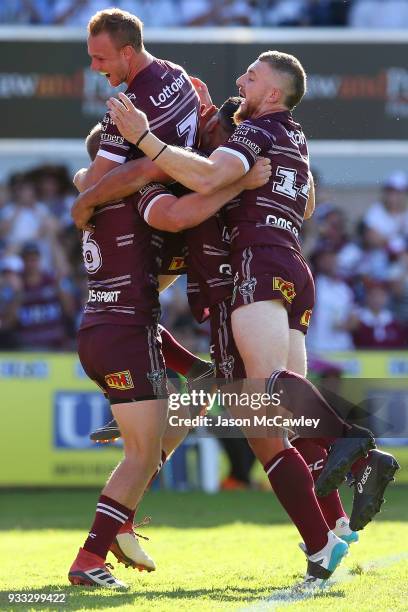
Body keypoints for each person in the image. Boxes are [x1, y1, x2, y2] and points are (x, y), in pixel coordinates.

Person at [107, 50, 399, 585]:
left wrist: (147, 143)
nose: (237, 85)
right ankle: (331, 532)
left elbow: (206, 177)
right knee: (280, 415)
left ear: (269, 95)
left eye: (250, 78)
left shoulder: (244, 140)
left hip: (246, 277)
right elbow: (306, 200)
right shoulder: (293, 134)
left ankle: (352, 454)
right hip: (291, 265)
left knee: (266, 411)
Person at [68, 120, 269, 588]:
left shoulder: (98, 194)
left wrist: (194, 367)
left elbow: (88, 176)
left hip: (106, 330)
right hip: (126, 335)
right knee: (140, 455)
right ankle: (92, 554)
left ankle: (118, 518)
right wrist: (238, 179)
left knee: (197, 392)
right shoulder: (136, 195)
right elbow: (175, 213)